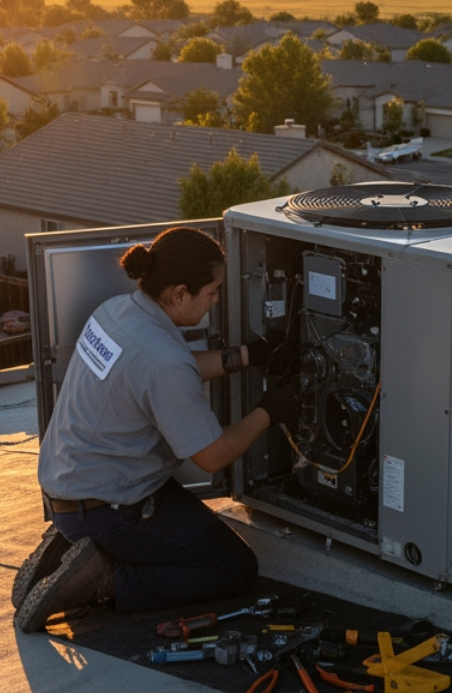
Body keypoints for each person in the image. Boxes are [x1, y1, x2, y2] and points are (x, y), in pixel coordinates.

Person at [15, 227, 298, 633]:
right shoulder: (162, 362)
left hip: (71, 486)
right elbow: (212, 454)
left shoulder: (115, 311)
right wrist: (270, 410)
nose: (217, 299)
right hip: (107, 508)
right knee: (235, 569)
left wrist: (248, 355)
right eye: (213, 291)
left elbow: (167, 371)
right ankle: (105, 579)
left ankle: (72, 547)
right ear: (179, 293)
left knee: (191, 539)